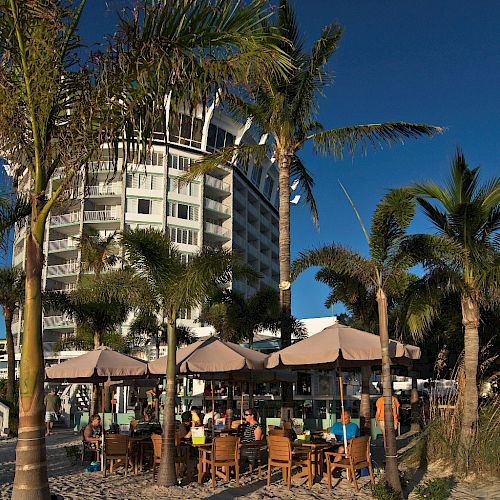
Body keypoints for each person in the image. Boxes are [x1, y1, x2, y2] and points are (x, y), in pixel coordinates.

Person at [327, 410, 360, 476]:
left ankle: (330, 470)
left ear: (350, 418)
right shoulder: (336, 425)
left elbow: (354, 439)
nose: (343, 420)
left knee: (341, 448)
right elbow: (330, 435)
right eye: (342, 418)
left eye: (345, 418)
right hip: (334, 444)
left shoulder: (353, 426)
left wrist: (343, 442)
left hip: (348, 445)